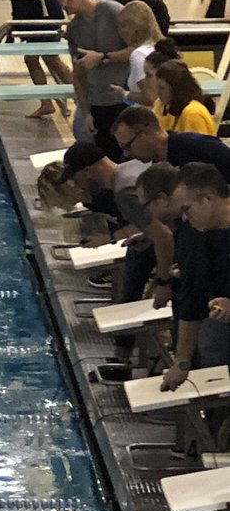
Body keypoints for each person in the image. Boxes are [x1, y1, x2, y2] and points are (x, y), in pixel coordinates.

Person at [55, 141, 173, 364]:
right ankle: (124, 353)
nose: (76, 183)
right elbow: (158, 224)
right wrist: (145, 235)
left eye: (75, 176)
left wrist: (164, 281)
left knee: (136, 277)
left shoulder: (123, 190)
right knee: (135, 260)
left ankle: (126, 357)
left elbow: (164, 235)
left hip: (188, 241)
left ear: (88, 171)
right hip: (183, 233)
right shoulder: (130, 167)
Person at [135, 161, 230, 391]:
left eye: (186, 209)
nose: (185, 219)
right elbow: (195, 291)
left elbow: (194, 293)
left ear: (207, 199)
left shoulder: (202, 235)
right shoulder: (208, 233)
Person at [53, 0, 130, 161]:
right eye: (60, 0)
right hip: (98, 104)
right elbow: (78, 75)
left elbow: (138, 50)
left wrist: (104, 57)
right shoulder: (74, 29)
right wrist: (86, 111)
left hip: (125, 100)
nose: (64, 5)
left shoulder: (114, 11)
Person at [108, 0, 162, 101]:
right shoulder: (161, 47)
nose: (120, 31)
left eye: (123, 26)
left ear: (136, 27)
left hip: (146, 114)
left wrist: (123, 94)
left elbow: (150, 98)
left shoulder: (139, 55)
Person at [153, 58, 216, 135]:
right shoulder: (172, 109)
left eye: (162, 88)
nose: (157, 92)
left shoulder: (193, 114)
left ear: (176, 89)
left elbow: (197, 145)